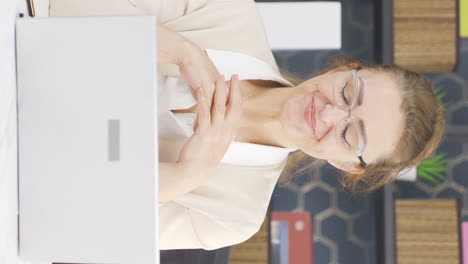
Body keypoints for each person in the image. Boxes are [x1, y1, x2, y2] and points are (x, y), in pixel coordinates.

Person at [48, 0, 445, 250]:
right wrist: (181, 49)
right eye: (347, 93)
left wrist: (185, 176)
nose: (325, 114)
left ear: (348, 166)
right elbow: (54, 6)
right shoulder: (227, 12)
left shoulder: (233, 218)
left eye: (349, 134)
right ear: (345, 69)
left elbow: (66, 228)